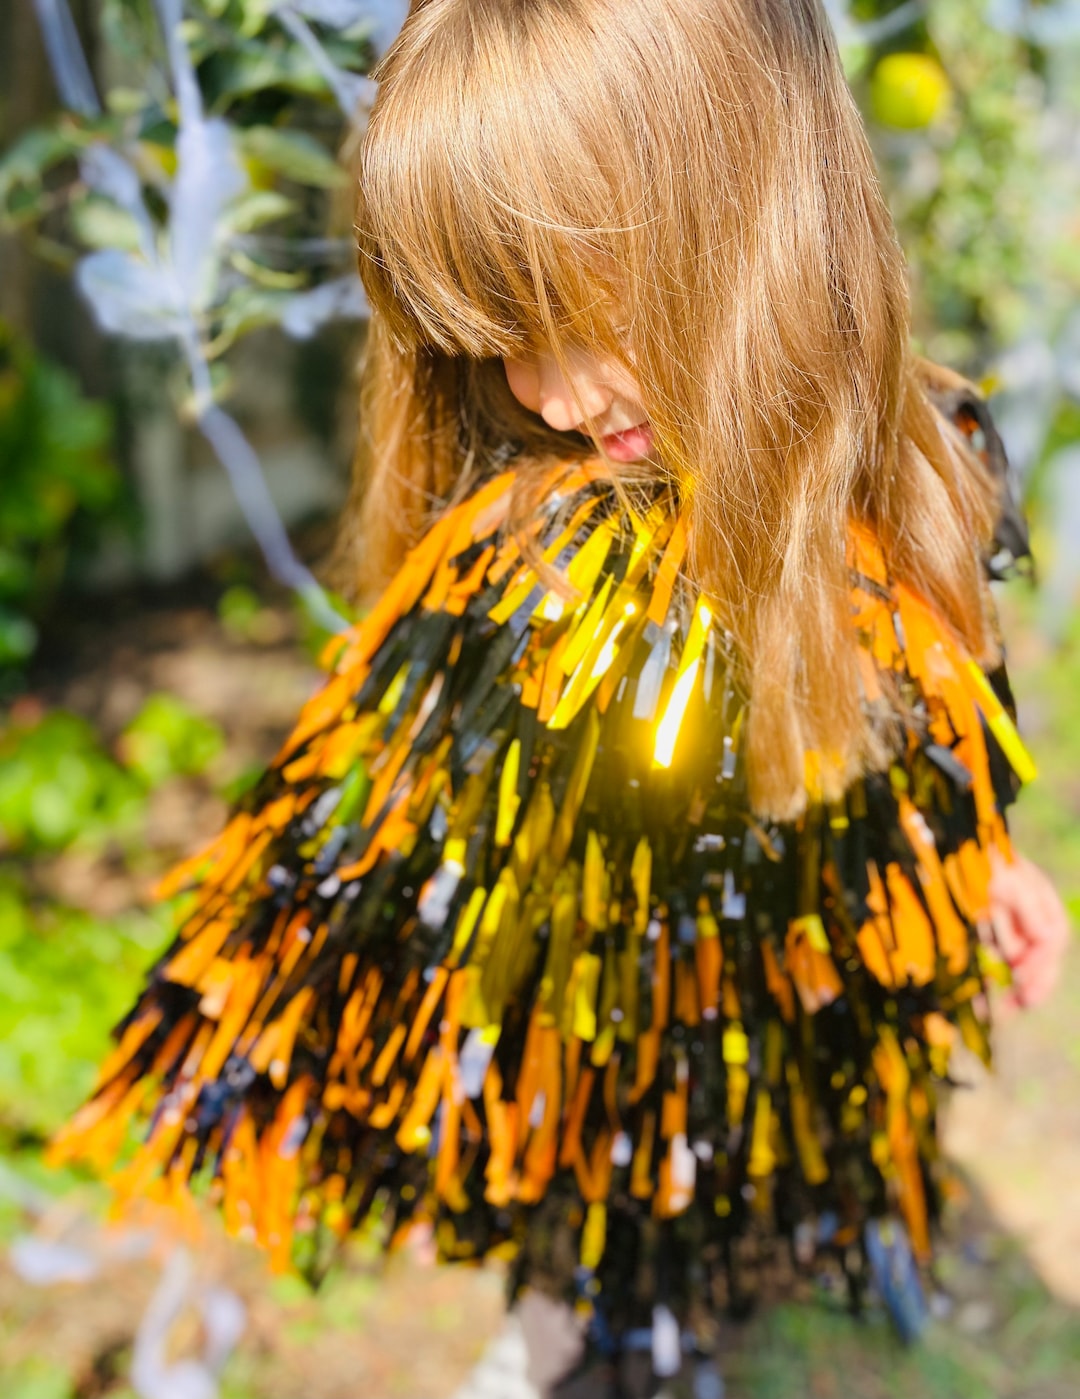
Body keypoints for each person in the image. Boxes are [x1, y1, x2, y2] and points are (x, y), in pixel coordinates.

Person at [51, 0, 1070, 1394]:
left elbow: (948, 705)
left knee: (787, 1129)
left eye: (577, 317)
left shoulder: (933, 456)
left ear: (759, 215)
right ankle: (586, 1318)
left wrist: (985, 859)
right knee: (619, 1175)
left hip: (805, 972)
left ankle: (787, 1253)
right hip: (610, 1020)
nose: (549, 391)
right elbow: (383, 851)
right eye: (499, 343)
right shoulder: (553, 562)